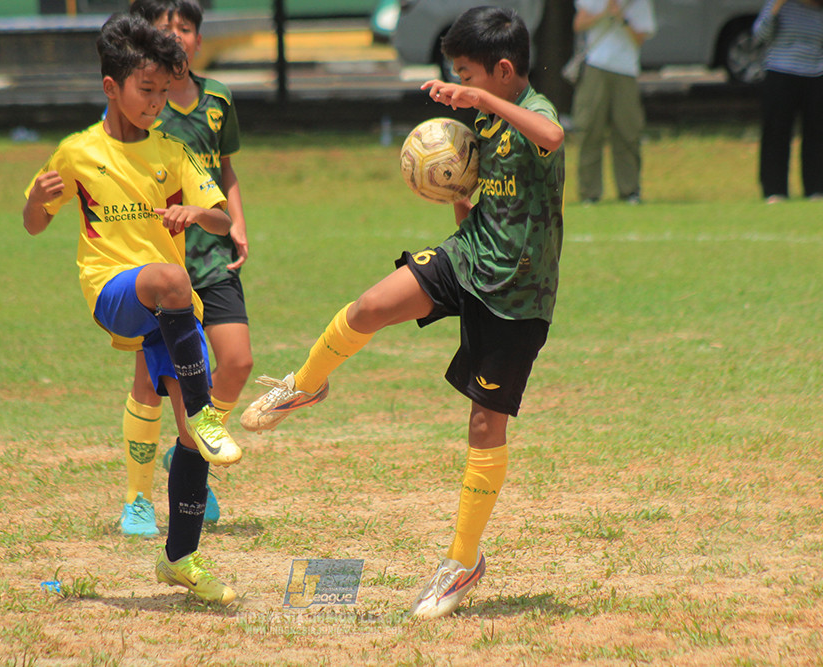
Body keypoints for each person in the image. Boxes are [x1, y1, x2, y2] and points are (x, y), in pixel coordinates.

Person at [240, 6, 565, 619]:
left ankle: (463, 562)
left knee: (483, 427)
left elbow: (552, 137)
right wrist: (458, 200)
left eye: (467, 74)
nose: (460, 87)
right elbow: (487, 212)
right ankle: (305, 386)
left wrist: (479, 99)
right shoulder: (485, 124)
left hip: (517, 296)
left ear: (501, 71)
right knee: (369, 306)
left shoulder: (533, 114)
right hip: (470, 259)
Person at [23, 13, 241, 604]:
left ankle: (181, 558)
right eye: (147, 91)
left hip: (169, 307)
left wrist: (199, 215)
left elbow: (221, 217)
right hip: (116, 292)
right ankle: (205, 415)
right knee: (171, 279)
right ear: (111, 87)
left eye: (165, 93)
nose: (157, 103)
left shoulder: (172, 151)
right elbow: (34, 223)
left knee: (190, 441)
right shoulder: (77, 152)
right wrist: (39, 205)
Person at [114, 0, 253, 537]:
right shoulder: (141, 104)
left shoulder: (217, 99)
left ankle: (187, 450)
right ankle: (137, 500)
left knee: (236, 362)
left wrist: (234, 221)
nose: (175, 35)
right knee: (152, 381)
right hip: (157, 262)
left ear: (198, 38)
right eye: (164, 26)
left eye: (186, 27)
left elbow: (225, 168)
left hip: (211, 255)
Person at [571, 0, 655, 204]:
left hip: (625, 70)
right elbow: (579, 23)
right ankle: (589, 193)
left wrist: (622, 18)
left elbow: (640, 38)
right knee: (590, 128)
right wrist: (604, 13)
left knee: (628, 130)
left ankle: (630, 190)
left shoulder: (639, 4)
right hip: (596, 66)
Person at [753, 0, 823, 203]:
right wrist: (776, 7)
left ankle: (816, 189)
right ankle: (775, 190)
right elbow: (760, 35)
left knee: (817, 133)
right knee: (776, 131)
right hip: (780, 71)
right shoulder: (780, 4)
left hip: (816, 73)